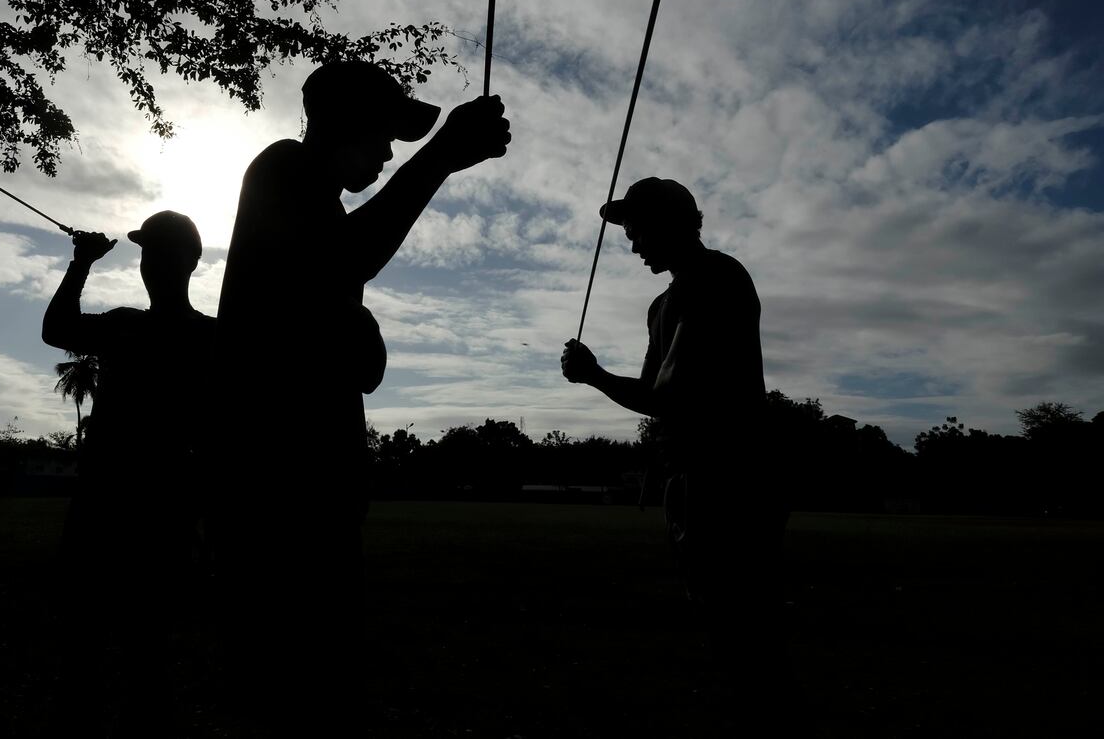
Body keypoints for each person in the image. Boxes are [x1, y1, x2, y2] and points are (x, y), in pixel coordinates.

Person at [214, 60, 510, 731]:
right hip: (279, 495)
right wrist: (439, 157)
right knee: (293, 691)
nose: (387, 150)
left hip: (307, 495)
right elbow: (346, 261)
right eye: (383, 134)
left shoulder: (313, 207)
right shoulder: (284, 168)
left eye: (400, 141)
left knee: (318, 687)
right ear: (342, 122)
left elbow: (357, 350)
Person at [559, 177, 784, 665]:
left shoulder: (717, 278)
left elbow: (669, 393)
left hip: (733, 479)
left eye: (637, 231)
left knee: (744, 622)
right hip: (690, 481)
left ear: (670, 224)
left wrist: (595, 374)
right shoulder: (660, 306)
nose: (633, 244)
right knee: (717, 616)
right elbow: (650, 393)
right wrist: (594, 376)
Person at [41, 209, 216, 735]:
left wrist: (81, 264)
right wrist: (80, 264)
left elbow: (57, 328)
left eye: (157, 251)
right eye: (145, 252)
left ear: (188, 261)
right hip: (127, 507)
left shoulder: (153, 331)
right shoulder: (184, 333)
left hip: (145, 509)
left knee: (140, 653)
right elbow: (57, 331)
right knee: (99, 651)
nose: (148, 263)